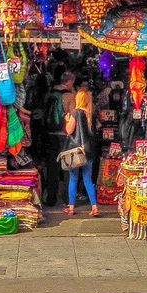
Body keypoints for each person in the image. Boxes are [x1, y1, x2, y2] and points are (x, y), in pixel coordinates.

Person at [63, 87, 99, 217]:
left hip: (76, 151)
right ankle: (94, 207)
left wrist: (67, 120)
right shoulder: (91, 114)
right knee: (88, 180)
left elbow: (69, 130)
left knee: (73, 178)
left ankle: (71, 207)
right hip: (89, 151)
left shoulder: (75, 112)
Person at [43, 70, 76, 207]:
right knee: (67, 167)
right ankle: (68, 199)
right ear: (68, 82)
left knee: (52, 167)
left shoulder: (49, 94)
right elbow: (73, 115)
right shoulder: (69, 96)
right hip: (64, 135)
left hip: (50, 133)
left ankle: (51, 198)